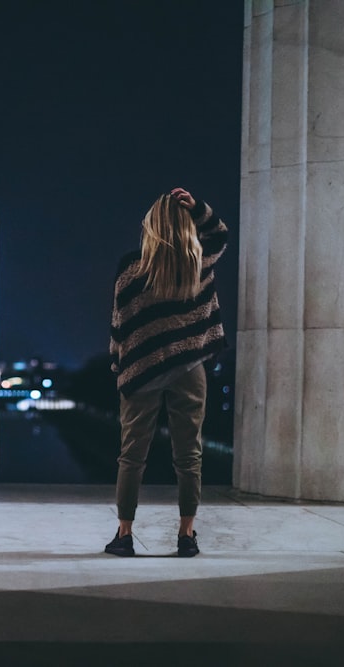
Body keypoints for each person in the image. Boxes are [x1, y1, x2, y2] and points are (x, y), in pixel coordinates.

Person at [105, 187, 228, 557]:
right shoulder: (198, 261)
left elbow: (120, 325)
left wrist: (118, 365)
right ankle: (186, 536)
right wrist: (199, 208)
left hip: (141, 371)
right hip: (189, 368)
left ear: (152, 225)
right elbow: (221, 234)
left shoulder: (131, 268)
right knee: (189, 454)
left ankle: (124, 535)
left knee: (131, 456)